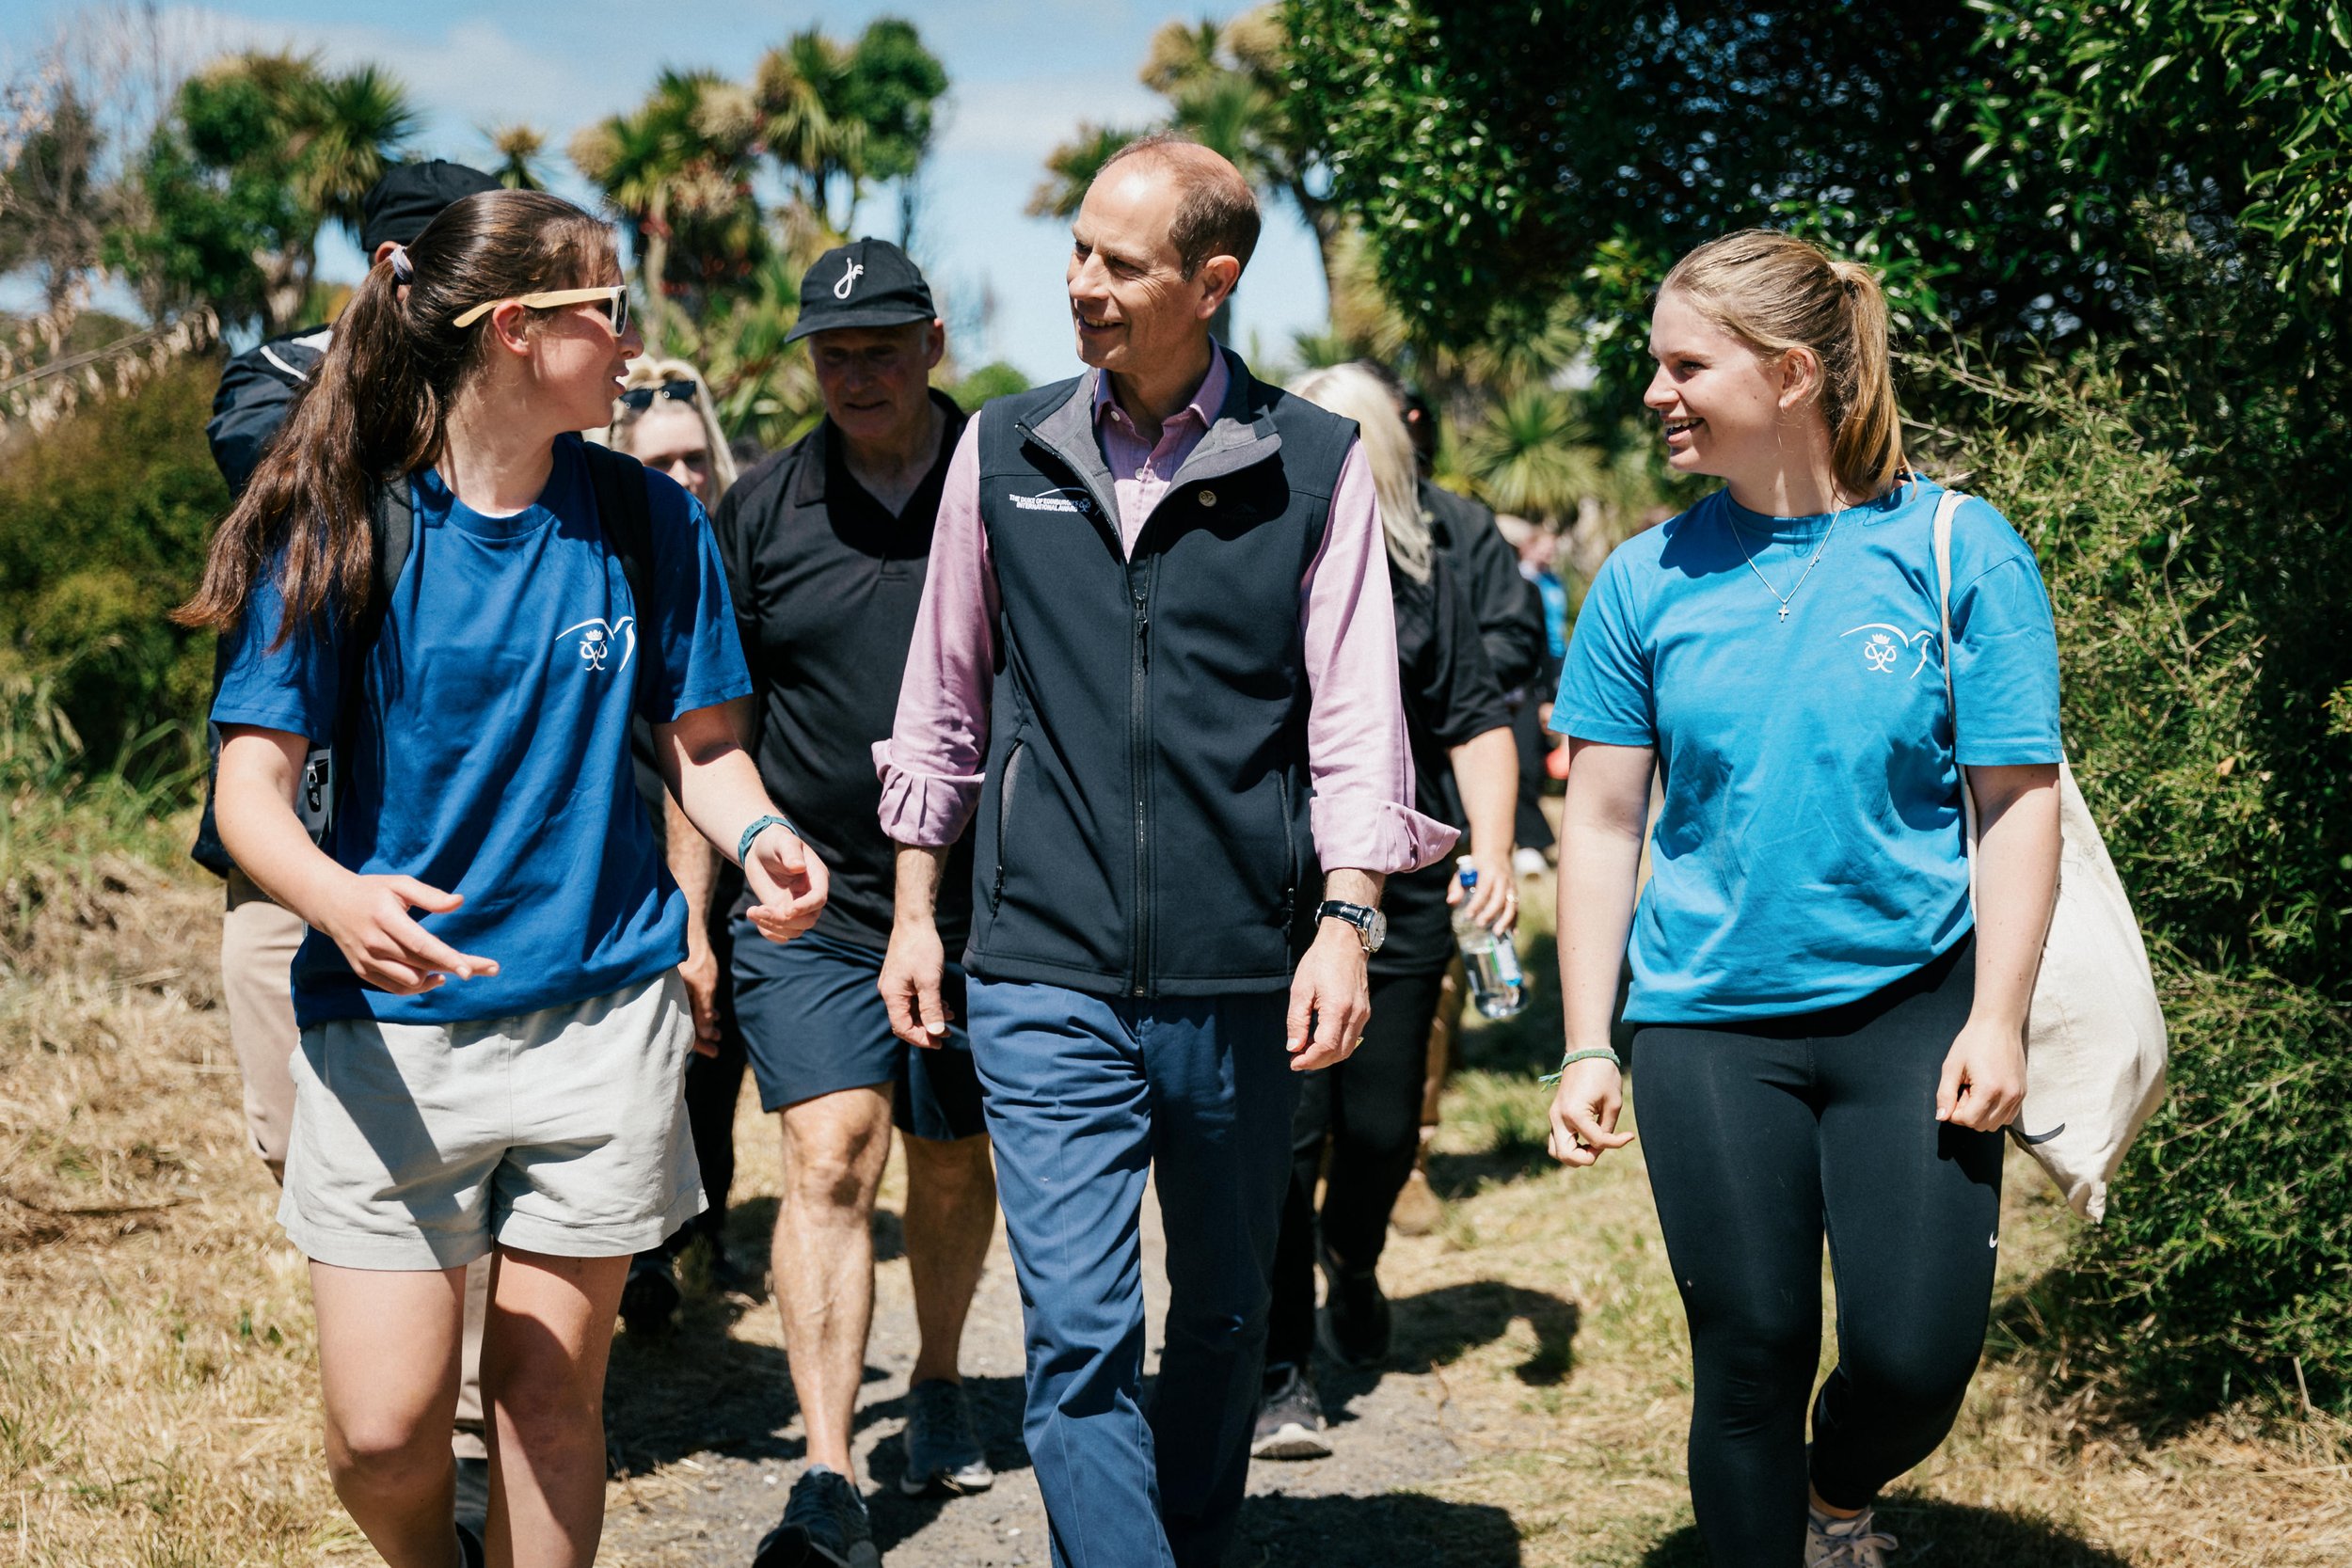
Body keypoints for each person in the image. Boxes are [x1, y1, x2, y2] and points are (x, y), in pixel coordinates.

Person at [182, 187, 828, 1568]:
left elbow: (707, 751)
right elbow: (249, 794)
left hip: (599, 1017)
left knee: (544, 1398)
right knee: (380, 1432)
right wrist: (337, 898)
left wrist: (764, 835)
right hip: (389, 1037)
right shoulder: (343, 523)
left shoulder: (653, 522)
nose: (628, 338)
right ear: (518, 332)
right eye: (606, 309)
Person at [877, 134, 1454, 1568]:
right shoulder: (1000, 451)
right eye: (1076, 250)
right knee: (1076, 1326)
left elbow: (1356, 722)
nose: (1080, 283)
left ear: (1212, 283)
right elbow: (941, 703)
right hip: (1040, 962)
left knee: (1220, 1314)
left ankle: (1184, 1536)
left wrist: (1346, 918)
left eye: (1119, 264)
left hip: (1243, 966)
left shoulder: (1311, 466)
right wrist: (913, 912)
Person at [1544, 230, 2061, 1568]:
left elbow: (2018, 800)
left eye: (1684, 365)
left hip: (1914, 1005)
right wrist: (1588, 1038)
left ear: (1786, 374)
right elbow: (1602, 823)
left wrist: (1998, 1014)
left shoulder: (1958, 548)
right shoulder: (1644, 582)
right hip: (1706, 1018)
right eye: (1655, 364)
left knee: (1913, 1352)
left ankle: (1839, 1492)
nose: (1655, 391)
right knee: (1752, 1346)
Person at [197, 156, 506, 1536]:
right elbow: (298, 482)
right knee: (307, 1152)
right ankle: (398, 1389)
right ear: (403, 268)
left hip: (460, 845)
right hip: (292, 865)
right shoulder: (276, 375)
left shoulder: (513, 386)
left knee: (473, 1149)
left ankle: (463, 1435)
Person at [703, 240, 999, 1568]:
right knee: (831, 1152)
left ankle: (936, 1374)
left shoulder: (1017, 484)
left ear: (934, 340)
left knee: (948, 1154)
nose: (858, 372)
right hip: (809, 896)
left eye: (883, 345)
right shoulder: (758, 515)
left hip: (994, 898)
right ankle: (828, 1466)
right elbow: (705, 730)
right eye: (833, 351)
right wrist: (694, 912)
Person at [1253, 363, 1518, 1461]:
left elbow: (1474, 715)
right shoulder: (1247, 554)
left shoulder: (1422, 572)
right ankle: (1280, 1370)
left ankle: (1350, 1256)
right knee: (1280, 1136)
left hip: (1396, 886)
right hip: (1267, 890)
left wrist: (1495, 851)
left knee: (1380, 1128)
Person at [600, 357, 756, 1330]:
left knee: (715, 1055)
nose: (685, 478)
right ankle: (645, 1248)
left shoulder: (734, 562)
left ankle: (712, 1224)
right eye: (660, 462)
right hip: (621, 846)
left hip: (729, 838)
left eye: (697, 458)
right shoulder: (595, 561)